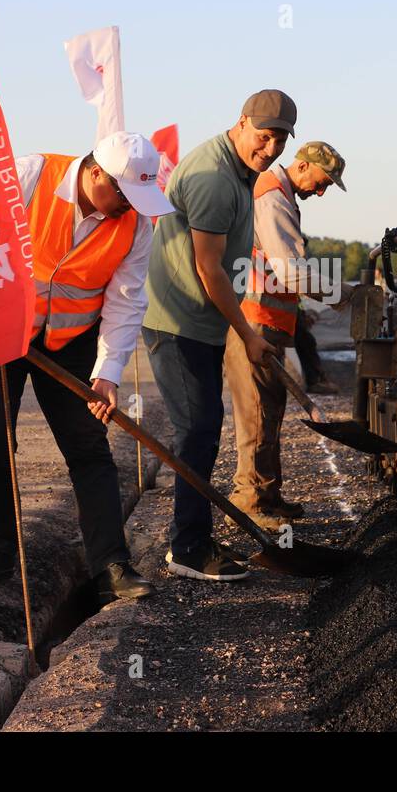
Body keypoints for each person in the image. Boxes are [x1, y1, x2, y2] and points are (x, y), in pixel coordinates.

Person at [0, 132, 170, 604]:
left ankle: (111, 564)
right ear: (96, 173)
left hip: (69, 342)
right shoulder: (30, 175)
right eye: (124, 194)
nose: (130, 207)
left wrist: (108, 372)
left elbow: (126, 300)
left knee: (89, 448)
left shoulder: (135, 226)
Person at [142, 89, 296, 582]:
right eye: (264, 136)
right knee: (199, 430)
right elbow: (208, 270)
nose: (270, 149)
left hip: (201, 324)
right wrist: (248, 333)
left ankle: (194, 537)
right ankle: (187, 547)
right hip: (178, 322)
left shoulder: (243, 172)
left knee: (203, 431)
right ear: (243, 122)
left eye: (280, 141)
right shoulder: (213, 178)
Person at [226, 141, 348, 527]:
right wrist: (345, 296)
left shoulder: (280, 195)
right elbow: (292, 273)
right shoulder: (272, 196)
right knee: (258, 416)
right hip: (255, 321)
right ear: (302, 166)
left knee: (269, 413)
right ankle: (250, 501)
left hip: (269, 323)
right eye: (322, 181)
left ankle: (268, 494)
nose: (322, 191)